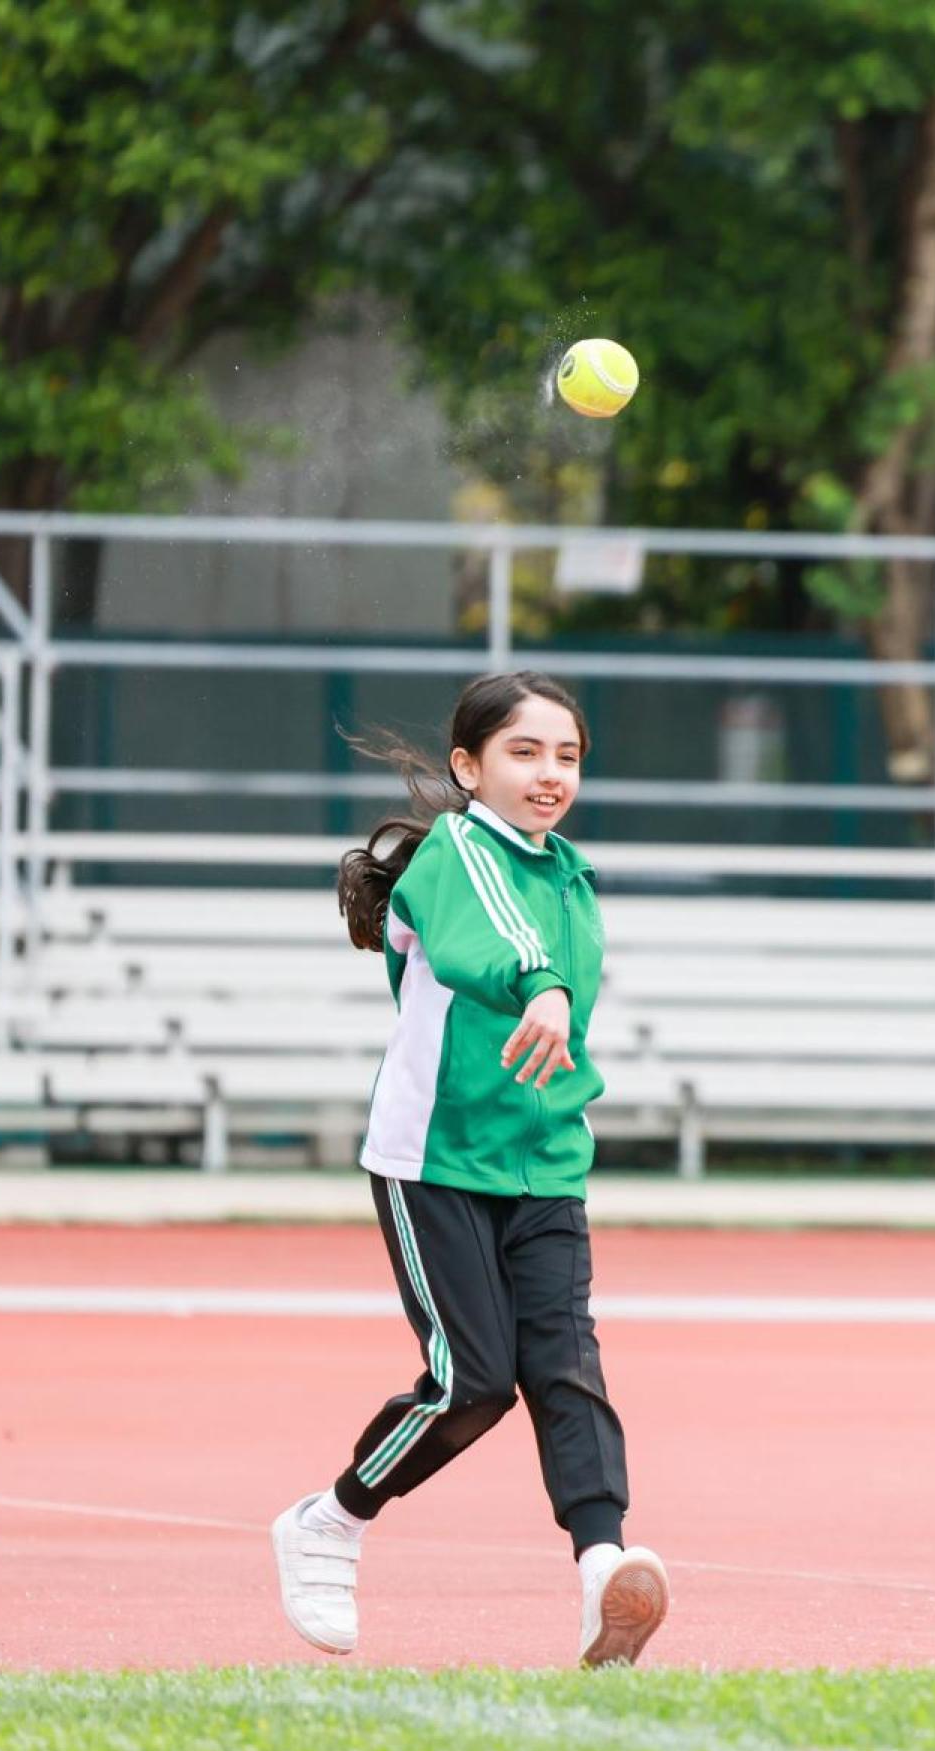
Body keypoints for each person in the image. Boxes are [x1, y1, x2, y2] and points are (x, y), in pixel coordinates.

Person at [271, 669, 670, 1665]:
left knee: (567, 1369)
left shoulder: (570, 875)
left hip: (545, 1165)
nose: (549, 774)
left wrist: (555, 1017)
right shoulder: (456, 853)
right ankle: (330, 1518)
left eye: (567, 755)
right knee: (475, 1381)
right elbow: (484, 942)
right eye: (523, 752)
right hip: (435, 1162)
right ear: (468, 766)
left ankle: (603, 1569)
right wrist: (540, 984)